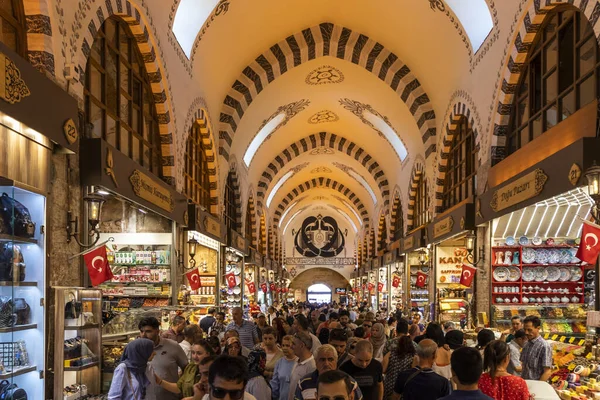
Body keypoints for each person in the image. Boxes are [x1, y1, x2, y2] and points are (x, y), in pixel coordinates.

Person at [139, 317, 189, 400]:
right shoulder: (137, 350)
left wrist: (181, 386)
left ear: (157, 331)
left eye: (148, 331)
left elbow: (187, 369)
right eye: (141, 331)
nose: (143, 335)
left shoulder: (173, 346)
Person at [294, 344, 363, 400]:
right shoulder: (304, 383)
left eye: (330, 359)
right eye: (322, 360)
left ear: (336, 361)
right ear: (315, 361)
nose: (326, 364)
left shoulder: (351, 383)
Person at [520, 316, 552, 381]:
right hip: (525, 383)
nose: (526, 332)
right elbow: (523, 365)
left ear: (538, 328)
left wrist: (538, 386)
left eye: (529, 330)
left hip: (537, 385)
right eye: (525, 329)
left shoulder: (544, 346)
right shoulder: (526, 344)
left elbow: (547, 372)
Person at [288, 332, 316, 400]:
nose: (291, 346)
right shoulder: (297, 360)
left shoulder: (312, 366)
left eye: (294, 344)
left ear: (302, 345)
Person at [271, 335, 298, 400]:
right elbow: (275, 384)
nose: (285, 348)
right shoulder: (279, 363)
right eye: (283, 345)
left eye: (287, 346)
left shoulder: (299, 362)